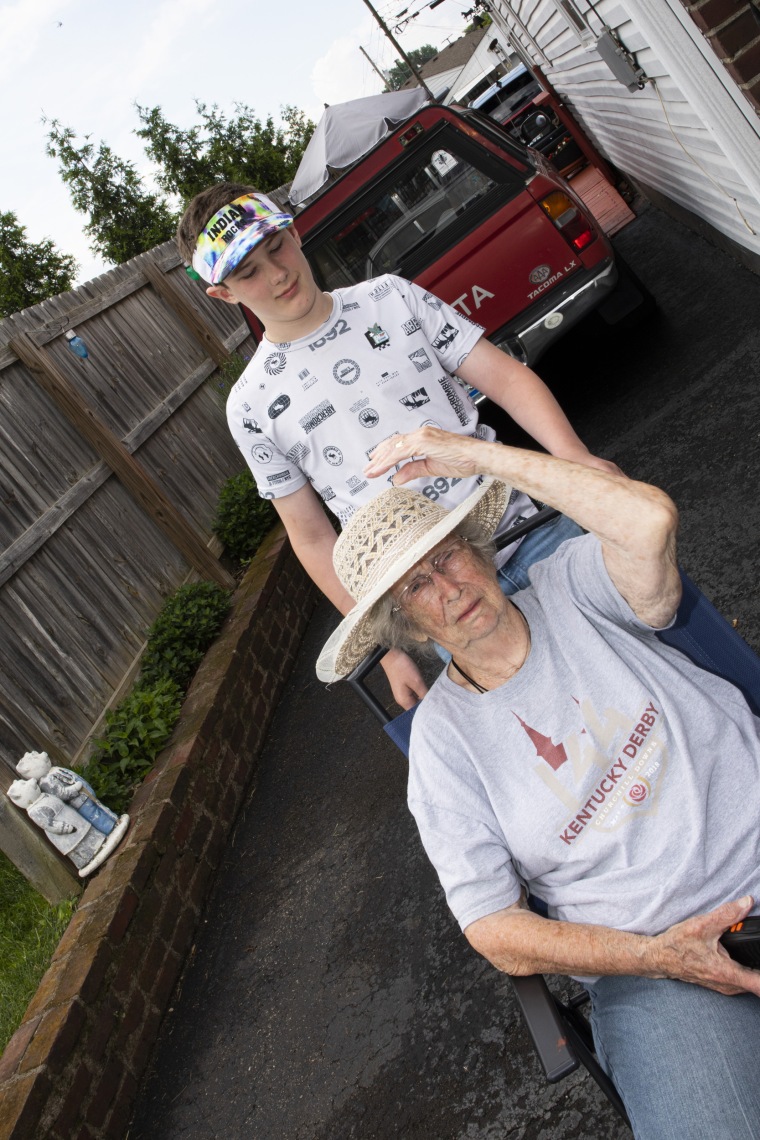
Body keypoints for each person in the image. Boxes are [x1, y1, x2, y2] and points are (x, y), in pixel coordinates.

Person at [315, 425, 760, 1140]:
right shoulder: (442, 746)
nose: (450, 587)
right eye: (418, 585)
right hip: (661, 970)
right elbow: (494, 927)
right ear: (406, 624)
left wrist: (479, 458)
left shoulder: (575, 584)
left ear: (479, 551)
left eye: (450, 555)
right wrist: (658, 956)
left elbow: (648, 520)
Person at [176, 184, 619, 708]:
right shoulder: (249, 406)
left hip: (531, 532)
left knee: (641, 657)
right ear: (223, 292)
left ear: (295, 231)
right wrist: (383, 650)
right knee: (565, 732)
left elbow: (507, 379)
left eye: (277, 247)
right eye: (247, 271)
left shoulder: (390, 297)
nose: (276, 274)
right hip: (438, 603)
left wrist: (576, 461)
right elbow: (313, 537)